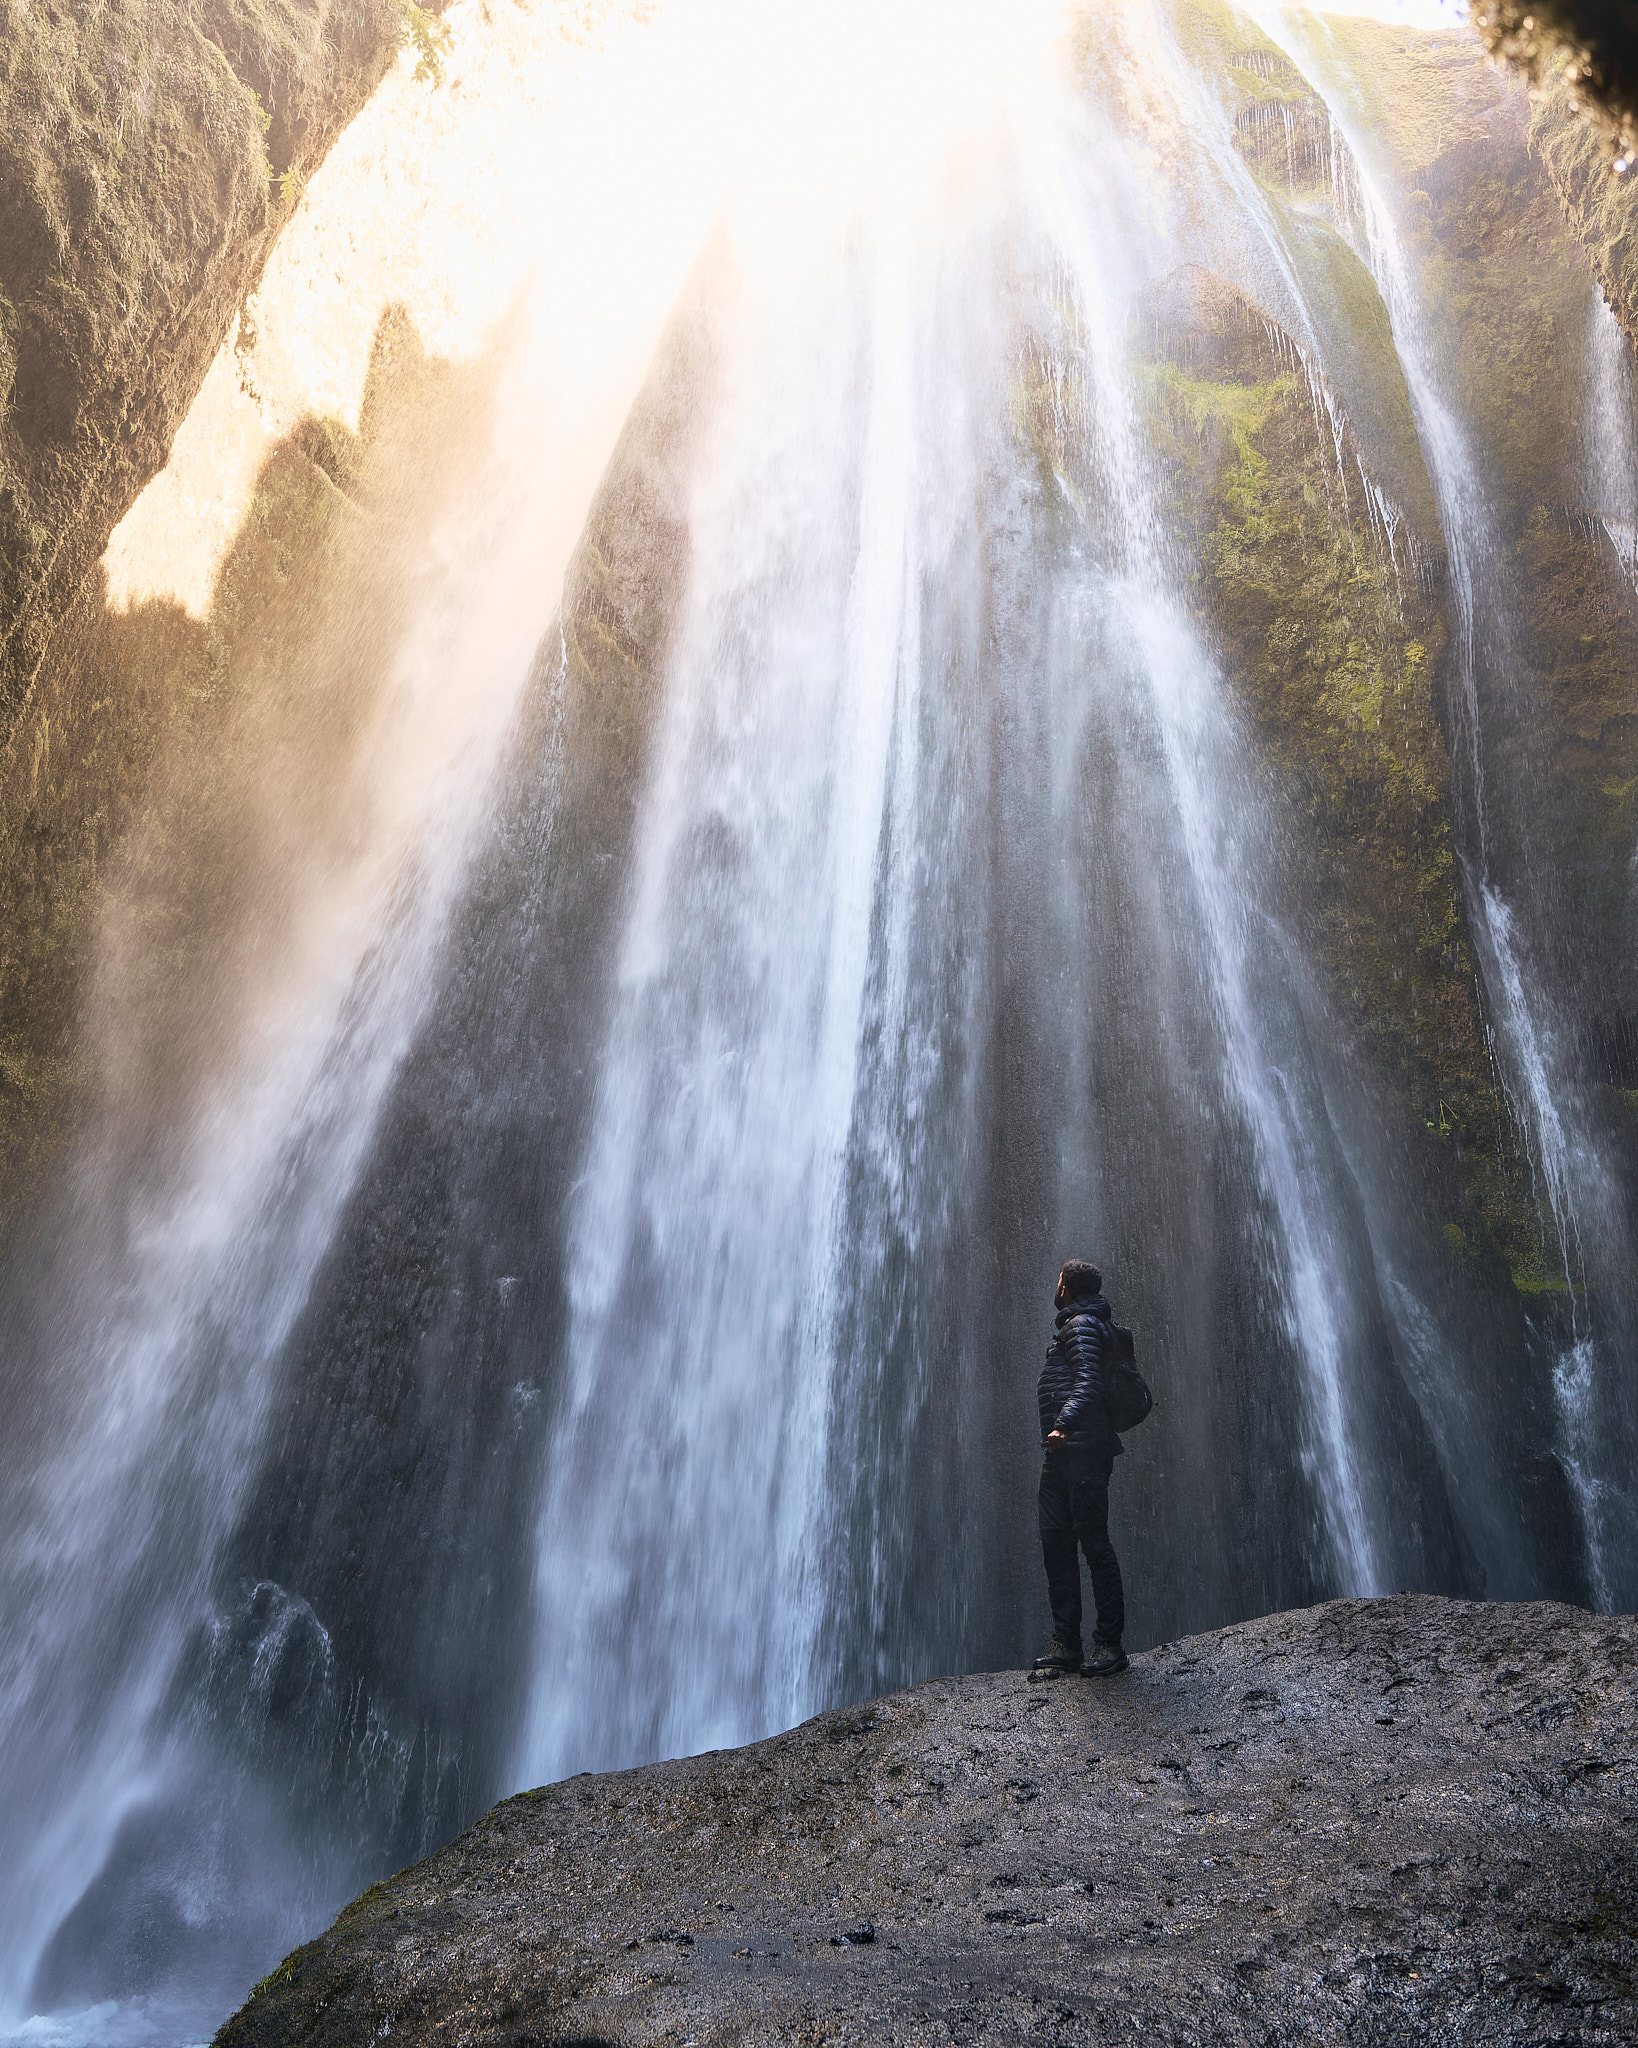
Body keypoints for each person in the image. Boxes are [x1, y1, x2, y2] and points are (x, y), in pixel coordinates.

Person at [1029, 1258, 1128, 1679]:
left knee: (1093, 1545)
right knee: (1057, 1542)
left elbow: (1089, 1380)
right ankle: (1066, 1641)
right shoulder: (1077, 1324)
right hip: (1064, 1456)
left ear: (1066, 1287)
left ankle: (1108, 1643)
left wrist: (1063, 1425)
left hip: (1081, 1451)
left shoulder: (1083, 1324)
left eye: (1058, 1280)